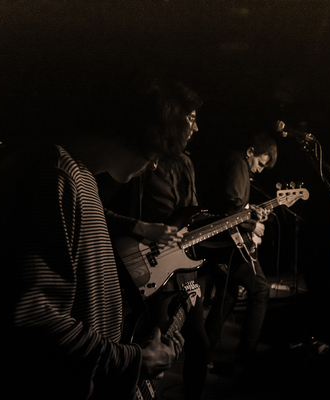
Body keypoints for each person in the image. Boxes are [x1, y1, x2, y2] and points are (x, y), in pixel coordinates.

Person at [0, 77, 190, 399]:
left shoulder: (79, 175)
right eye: (156, 152)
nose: (153, 165)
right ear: (137, 132)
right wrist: (133, 360)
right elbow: (33, 318)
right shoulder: (53, 174)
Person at [97, 82, 209, 400]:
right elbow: (96, 208)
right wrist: (141, 227)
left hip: (182, 264)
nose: (196, 128)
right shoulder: (136, 161)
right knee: (152, 342)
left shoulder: (185, 163)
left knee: (199, 342)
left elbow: (192, 215)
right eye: (191, 118)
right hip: (147, 265)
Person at [195, 131, 277, 371]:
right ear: (250, 152)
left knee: (227, 295)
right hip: (224, 243)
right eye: (260, 163)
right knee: (260, 289)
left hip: (217, 242)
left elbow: (232, 203)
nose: (259, 170)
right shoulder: (238, 163)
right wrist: (253, 223)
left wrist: (252, 211)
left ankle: (201, 356)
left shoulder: (233, 162)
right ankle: (244, 359)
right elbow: (231, 206)